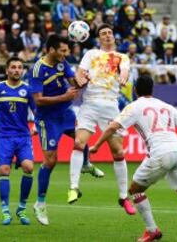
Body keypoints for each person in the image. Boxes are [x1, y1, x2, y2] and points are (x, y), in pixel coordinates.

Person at [90, 75, 177, 242]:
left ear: (135, 90)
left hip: (160, 153)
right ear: (152, 89)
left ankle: (152, 230)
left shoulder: (134, 107)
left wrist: (97, 145)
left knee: (135, 190)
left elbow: (112, 126)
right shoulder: (165, 105)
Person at [29, 34, 104, 226]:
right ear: (51, 50)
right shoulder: (38, 69)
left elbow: (74, 83)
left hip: (66, 114)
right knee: (51, 161)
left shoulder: (62, 63)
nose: (65, 54)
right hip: (47, 119)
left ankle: (86, 163)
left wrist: (86, 79)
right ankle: (40, 203)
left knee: (82, 137)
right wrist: (64, 97)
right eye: (62, 50)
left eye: (66, 50)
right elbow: (38, 100)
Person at [69, 23, 136, 216]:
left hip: (110, 105)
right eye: (103, 33)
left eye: (109, 33)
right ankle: (73, 187)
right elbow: (80, 74)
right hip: (89, 103)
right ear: (99, 38)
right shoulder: (91, 54)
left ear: (113, 37)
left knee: (117, 151)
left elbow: (124, 71)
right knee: (79, 142)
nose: (107, 35)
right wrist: (81, 81)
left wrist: (123, 79)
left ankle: (123, 197)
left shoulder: (122, 57)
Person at [0, 57, 35, 226]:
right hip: (4, 137)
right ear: (7, 70)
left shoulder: (28, 90)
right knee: (4, 170)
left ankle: (21, 208)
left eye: (20, 67)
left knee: (28, 167)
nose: (16, 70)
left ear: (22, 71)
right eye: (13, 67)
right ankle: (5, 211)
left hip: (23, 136)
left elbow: (38, 111)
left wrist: (35, 125)